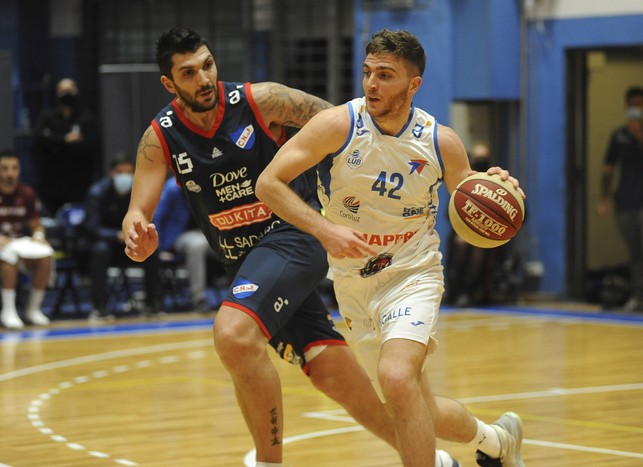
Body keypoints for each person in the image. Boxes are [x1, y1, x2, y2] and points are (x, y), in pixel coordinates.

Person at [122, 28, 460, 467]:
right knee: (336, 379)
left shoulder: (262, 100)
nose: (203, 78)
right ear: (170, 84)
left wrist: (382, 178)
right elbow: (137, 213)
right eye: (188, 73)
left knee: (233, 335)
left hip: (296, 236)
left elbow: (343, 124)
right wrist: (137, 236)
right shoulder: (159, 137)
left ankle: (268, 462)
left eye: (207, 64)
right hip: (248, 264)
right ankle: (433, 458)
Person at [257, 29, 526, 467]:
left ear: (413, 84)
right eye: (367, 73)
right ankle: (496, 440)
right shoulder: (338, 125)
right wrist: (324, 229)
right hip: (352, 281)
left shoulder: (441, 142)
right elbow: (268, 183)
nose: (371, 84)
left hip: (412, 272)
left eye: (385, 75)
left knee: (397, 380)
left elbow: (471, 205)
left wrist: (496, 188)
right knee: (415, 403)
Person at [597, 86, 643, 312]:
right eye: (630, 104)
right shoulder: (618, 135)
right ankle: (638, 296)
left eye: (638, 104)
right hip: (626, 202)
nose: (634, 108)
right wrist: (604, 198)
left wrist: (641, 137)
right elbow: (608, 168)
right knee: (634, 252)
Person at [84, 152, 161, 320]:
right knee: (100, 250)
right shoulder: (97, 193)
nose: (124, 177)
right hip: (104, 243)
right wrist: (116, 235)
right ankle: (99, 307)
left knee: (152, 250)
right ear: (112, 173)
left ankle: (153, 304)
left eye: (128, 173)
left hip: (128, 243)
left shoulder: (137, 193)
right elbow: (91, 228)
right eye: (120, 172)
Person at [0, 149, 53, 329]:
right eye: (5, 168)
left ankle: (33, 309)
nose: (10, 173)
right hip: (3, 249)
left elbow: (36, 225)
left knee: (45, 256)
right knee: (8, 259)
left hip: (16, 243)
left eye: (14, 168)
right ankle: (8, 311)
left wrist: (38, 236)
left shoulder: (26, 193)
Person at [33, 78, 99, 215]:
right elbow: (40, 139)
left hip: (78, 183)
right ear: (57, 93)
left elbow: (89, 144)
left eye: (70, 90)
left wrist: (56, 142)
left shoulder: (86, 118)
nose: (67, 94)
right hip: (51, 183)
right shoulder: (47, 117)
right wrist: (65, 139)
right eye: (63, 91)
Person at [445, 142, 497, 306]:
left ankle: (469, 290)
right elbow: (449, 213)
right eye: (478, 157)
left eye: (484, 158)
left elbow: (522, 214)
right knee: (460, 242)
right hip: (464, 229)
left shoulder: (497, 181)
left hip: (489, 233)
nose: (481, 161)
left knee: (480, 246)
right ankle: (456, 288)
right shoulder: (466, 181)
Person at [153, 175, 212, 312]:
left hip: (207, 233)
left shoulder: (207, 181)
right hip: (177, 236)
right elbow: (158, 216)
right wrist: (159, 248)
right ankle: (199, 299)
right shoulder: (172, 187)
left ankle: (241, 297)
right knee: (197, 245)